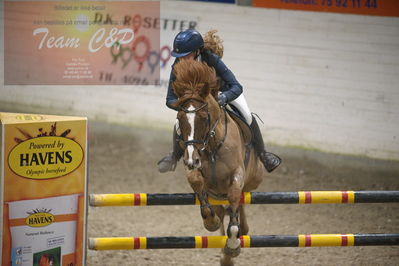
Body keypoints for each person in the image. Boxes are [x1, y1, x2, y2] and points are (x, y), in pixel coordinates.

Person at [157, 29, 281, 173]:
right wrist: (184, 106)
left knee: (247, 115)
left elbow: (236, 86)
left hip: (224, 93)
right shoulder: (177, 65)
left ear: (197, 51)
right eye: (180, 56)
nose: (182, 59)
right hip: (196, 101)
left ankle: (263, 154)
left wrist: (224, 97)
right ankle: (174, 156)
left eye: (186, 55)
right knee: (180, 122)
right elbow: (170, 99)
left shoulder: (210, 59)